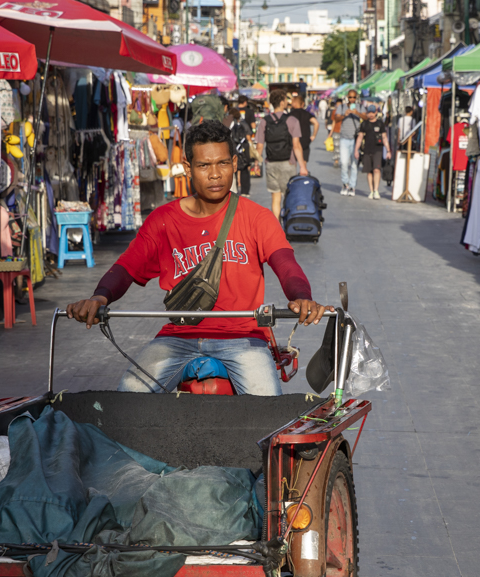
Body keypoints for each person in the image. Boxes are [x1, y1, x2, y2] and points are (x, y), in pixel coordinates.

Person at [66, 120, 329, 394]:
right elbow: (126, 267)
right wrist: (100, 297)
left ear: (235, 163)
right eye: (204, 166)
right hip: (178, 336)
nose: (215, 174)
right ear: (188, 168)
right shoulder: (163, 220)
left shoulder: (256, 217)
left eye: (223, 163)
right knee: (128, 399)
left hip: (242, 337)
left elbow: (285, 261)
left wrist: (301, 295)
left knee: (266, 410)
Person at [254, 91, 308, 219]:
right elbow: (296, 145)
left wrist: (256, 163)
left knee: (275, 197)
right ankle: (288, 224)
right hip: (288, 163)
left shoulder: (264, 121)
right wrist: (302, 166)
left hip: (271, 163)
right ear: (283, 102)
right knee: (288, 196)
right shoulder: (292, 120)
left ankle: (276, 227)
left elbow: (260, 145)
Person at [331, 89, 362, 196]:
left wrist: (356, 113)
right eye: (350, 97)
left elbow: (367, 117)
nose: (352, 99)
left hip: (355, 139)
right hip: (344, 138)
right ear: (347, 97)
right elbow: (336, 118)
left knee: (354, 164)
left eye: (354, 97)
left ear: (356, 97)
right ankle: (345, 184)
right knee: (343, 163)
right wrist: (345, 114)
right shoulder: (342, 107)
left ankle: (352, 186)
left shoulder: (360, 107)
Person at [356, 104, 389, 199]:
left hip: (377, 149)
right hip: (367, 150)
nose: (371, 114)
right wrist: (356, 150)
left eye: (372, 112)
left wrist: (388, 150)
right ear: (367, 113)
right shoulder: (364, 124)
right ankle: (371, 191)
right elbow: (360, 137)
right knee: (369, 171)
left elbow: (384, 137)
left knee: (376, 169)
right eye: (369, 112)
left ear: (376, 112)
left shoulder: (380, 124)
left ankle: (376, 190)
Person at [229, 98, 253, 195]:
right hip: (243, 150)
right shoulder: (244, 124)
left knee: (232, 171)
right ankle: (245, 191)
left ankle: (233, 190)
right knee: (244, 170)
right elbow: (248, 137)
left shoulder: (228, 124)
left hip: (232, 150)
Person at [288, 91, 317, 171]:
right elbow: (316, 123)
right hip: (305, 140)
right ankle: (303, 176)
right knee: (304, 164)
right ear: (303, 104)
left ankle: (294, 179)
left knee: (293, 164)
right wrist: (313, 135)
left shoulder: (290, 114)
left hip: (293, 141)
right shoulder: (307, 114)